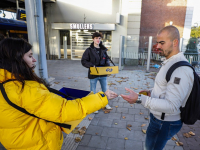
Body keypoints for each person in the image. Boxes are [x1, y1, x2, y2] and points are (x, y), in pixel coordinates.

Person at [0, 38, 118, 150]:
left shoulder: (6, 84)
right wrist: (102, 97)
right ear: (16, 59)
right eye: (30, 56)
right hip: (39, 144)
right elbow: (65, 110)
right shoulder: (24, 89)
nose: (34, 60)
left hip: (17, 142)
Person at [121, 26, 194, 150]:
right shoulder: (170, 62)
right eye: (157, 42)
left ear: (175, 42)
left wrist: (139, 99)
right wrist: (151, 92)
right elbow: (165, 86)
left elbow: (172, 106)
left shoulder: (180, 70)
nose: (158, 46)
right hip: (158, 119)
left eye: (162, 43)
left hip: (165, 122)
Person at [81, 32, 112, 113]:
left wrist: (107, 66)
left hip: (103, 73)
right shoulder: (89, 50)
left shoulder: (103, 49)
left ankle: (105, 103)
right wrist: (91, 65)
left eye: (99, 38)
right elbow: (83, 61)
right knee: (93, 91)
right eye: (96, 38)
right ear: (93, 39)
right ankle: (94, 106)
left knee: (105, 89)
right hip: (93, 73)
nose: (98, 40)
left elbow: (107, 60)